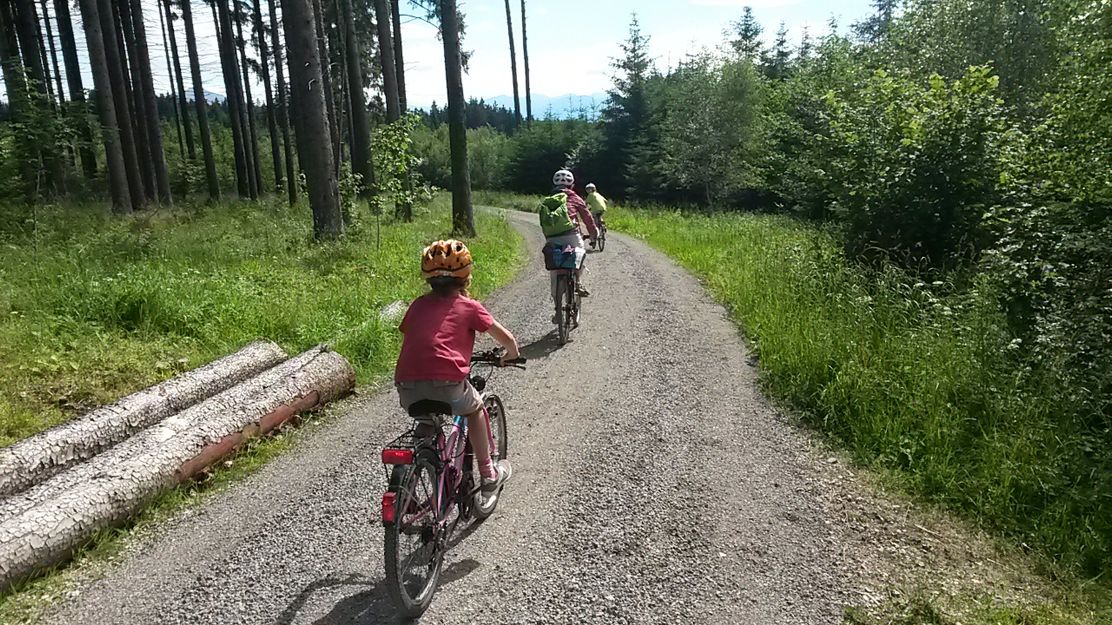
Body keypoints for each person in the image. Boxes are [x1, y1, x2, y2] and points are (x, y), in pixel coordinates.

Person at [394, 239, 518, 494]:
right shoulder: (469, 306)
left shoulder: (417, 305)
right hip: (447, 385)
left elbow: (415, 335)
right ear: (466, 278)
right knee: (475, 410)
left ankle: (411, 483)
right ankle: (488, 473)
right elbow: (507, 339)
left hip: (406, 387)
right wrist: (511, 354)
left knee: (427, 419)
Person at [543, 170, 597, 315]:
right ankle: (578, 282)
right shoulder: (575, 198)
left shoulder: (549, 198)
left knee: (555, 271)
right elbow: (587, 217)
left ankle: (557, 311)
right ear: (571, 184)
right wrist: (593, 234)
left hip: (551, 237)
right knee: (580, 255)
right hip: (571, 235)